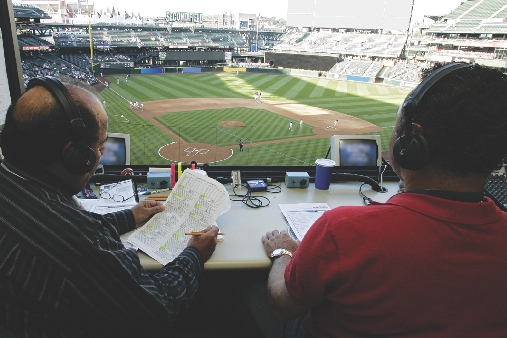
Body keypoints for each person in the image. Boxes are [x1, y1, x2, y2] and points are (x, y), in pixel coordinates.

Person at [241, 63, 507, 337]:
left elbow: (282, 305)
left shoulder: (342, 230)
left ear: (411, 140)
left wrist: (283, 253)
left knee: (252, 290)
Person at [0, 76, 220, 337]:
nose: (101, 152)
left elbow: (63, 226)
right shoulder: (77, 242)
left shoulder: (17, 185)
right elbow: (158, 308)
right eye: (99, 145)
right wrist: (194, 253)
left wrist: (129, 217)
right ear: (76, 156)